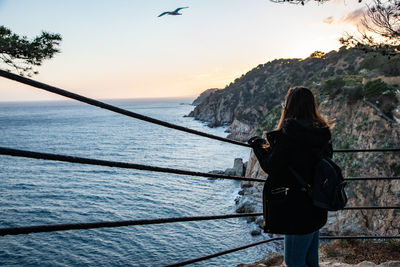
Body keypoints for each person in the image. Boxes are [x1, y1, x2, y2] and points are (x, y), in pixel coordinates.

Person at [248, 86, 334, 267]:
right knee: (311, 260)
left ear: (288, 107)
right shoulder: (323, 133)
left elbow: (272, 166)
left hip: (296, 208)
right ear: (312, 106)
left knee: (294, 262)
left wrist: (258, 146)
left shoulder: (289, 135)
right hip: (317, 203)